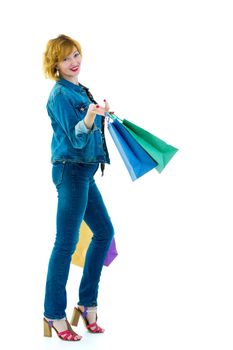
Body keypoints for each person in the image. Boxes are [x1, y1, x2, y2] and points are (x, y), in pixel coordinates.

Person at [42, 34, 115, 341]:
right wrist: (88, 116)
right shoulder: (60, 94)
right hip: (70, 171)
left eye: (76, 55)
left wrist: (100, 115)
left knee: (104, 232)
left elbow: (88, 133)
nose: (74, 62)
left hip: (84, 172)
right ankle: (54, 314)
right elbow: (75, 139)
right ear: (55, 65)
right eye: (66, 58)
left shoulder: (79, 90)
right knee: (66, 243)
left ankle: (87, 304)